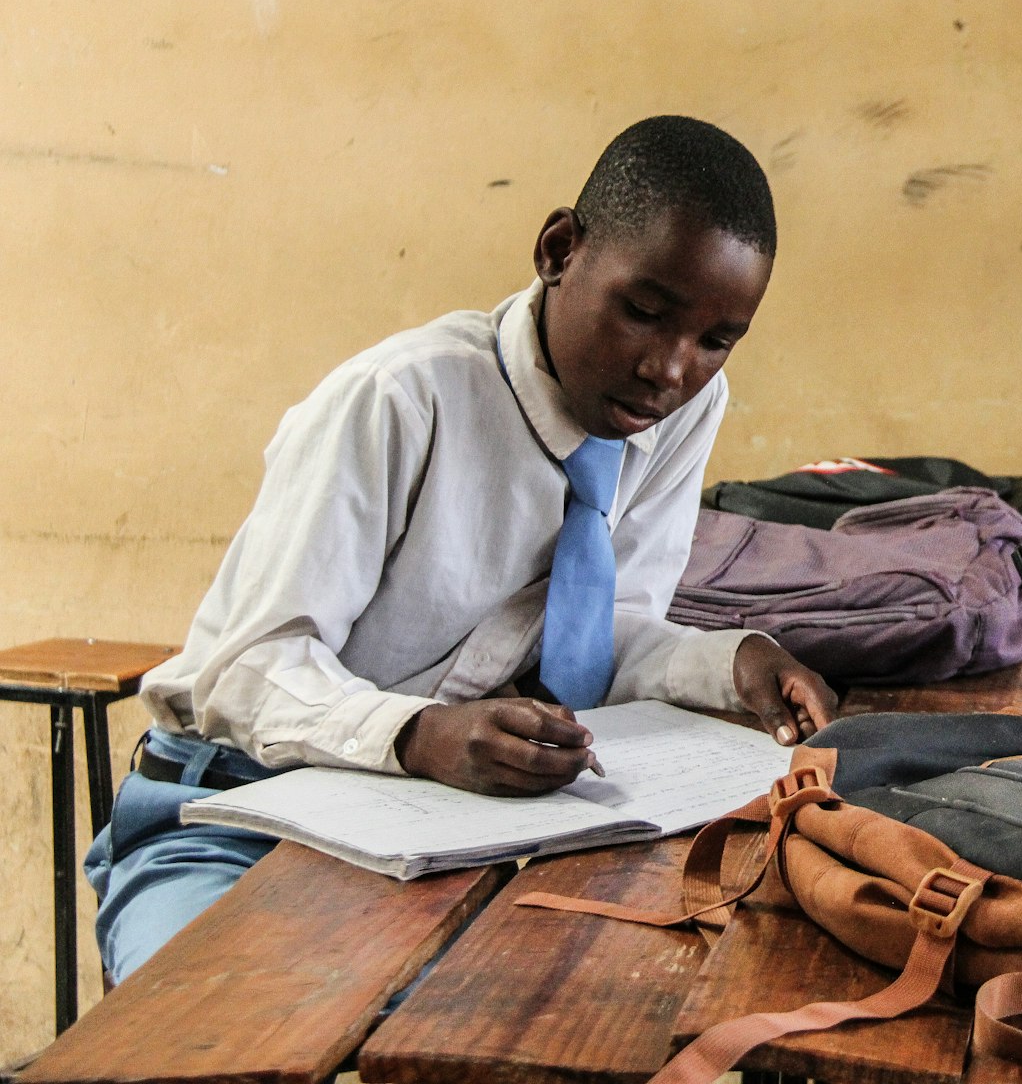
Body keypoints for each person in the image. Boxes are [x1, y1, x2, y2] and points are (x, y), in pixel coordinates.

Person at [87, 115, 838, 982]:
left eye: (715, 340)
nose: (669, 369)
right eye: (643, 312)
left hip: (422, 823)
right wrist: (418, 735)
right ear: (558, 249)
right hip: (230, 808)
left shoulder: (677, 412)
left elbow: (596, 631)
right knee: (197, 1037)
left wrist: (728, 662)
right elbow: (245, 668)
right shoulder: (402, 401)